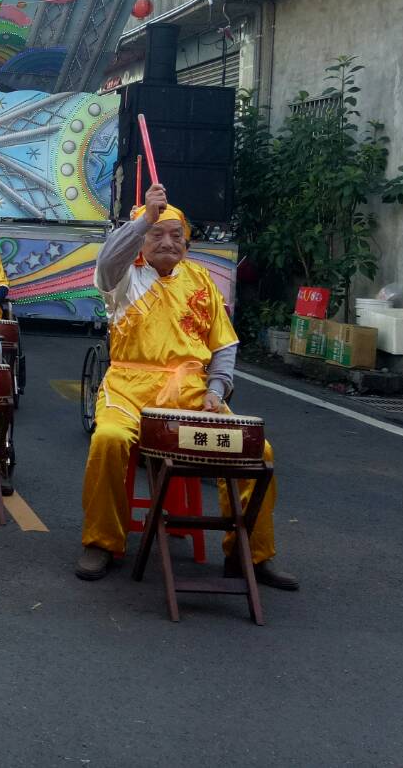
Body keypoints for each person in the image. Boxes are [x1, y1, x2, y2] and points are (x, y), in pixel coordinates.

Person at [75, 183, 297, 590]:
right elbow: (107, 259)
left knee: (257, 451)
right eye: (156, 234)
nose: (167, 241)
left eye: (176, 234)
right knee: (108, 440)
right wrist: (145, 217)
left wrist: (217, 390)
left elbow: (223, 343)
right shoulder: (123, 277)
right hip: (127, 387)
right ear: (141, 241)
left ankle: (250, 553)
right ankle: (102, 541)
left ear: (187, 243)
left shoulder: (200, 280)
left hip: (192, 392)